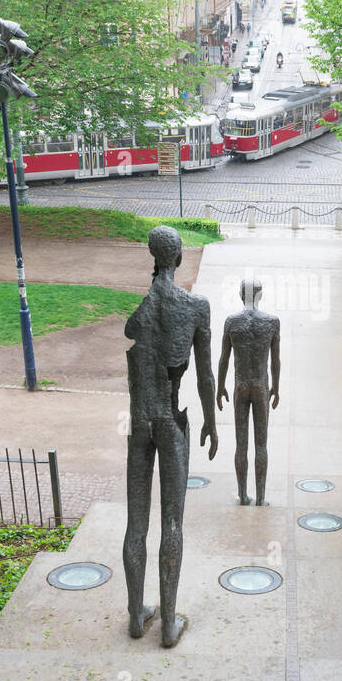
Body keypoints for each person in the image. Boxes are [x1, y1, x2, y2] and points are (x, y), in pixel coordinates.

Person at [123, 226, 218, 649]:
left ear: (153, 257)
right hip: (170, 422)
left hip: (139, 422)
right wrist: (212, 420)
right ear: (179, 258)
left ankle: (135, 616)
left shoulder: (141, 312)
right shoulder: (196, 307)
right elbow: (204, 374)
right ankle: (167, 623)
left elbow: (135, 333)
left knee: (136, 522)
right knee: (172, 522)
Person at [217, 278, 281, 506]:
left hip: (241, 386)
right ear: (260, 295)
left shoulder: (232, 322)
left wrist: (220, 386)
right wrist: (276, 387)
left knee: (241, 443)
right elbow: (275, 361)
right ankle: (261, 496)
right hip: (261, 386)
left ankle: (243, 494)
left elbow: (224, 359)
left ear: (240, 294)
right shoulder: (272, 322)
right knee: (261, 444)